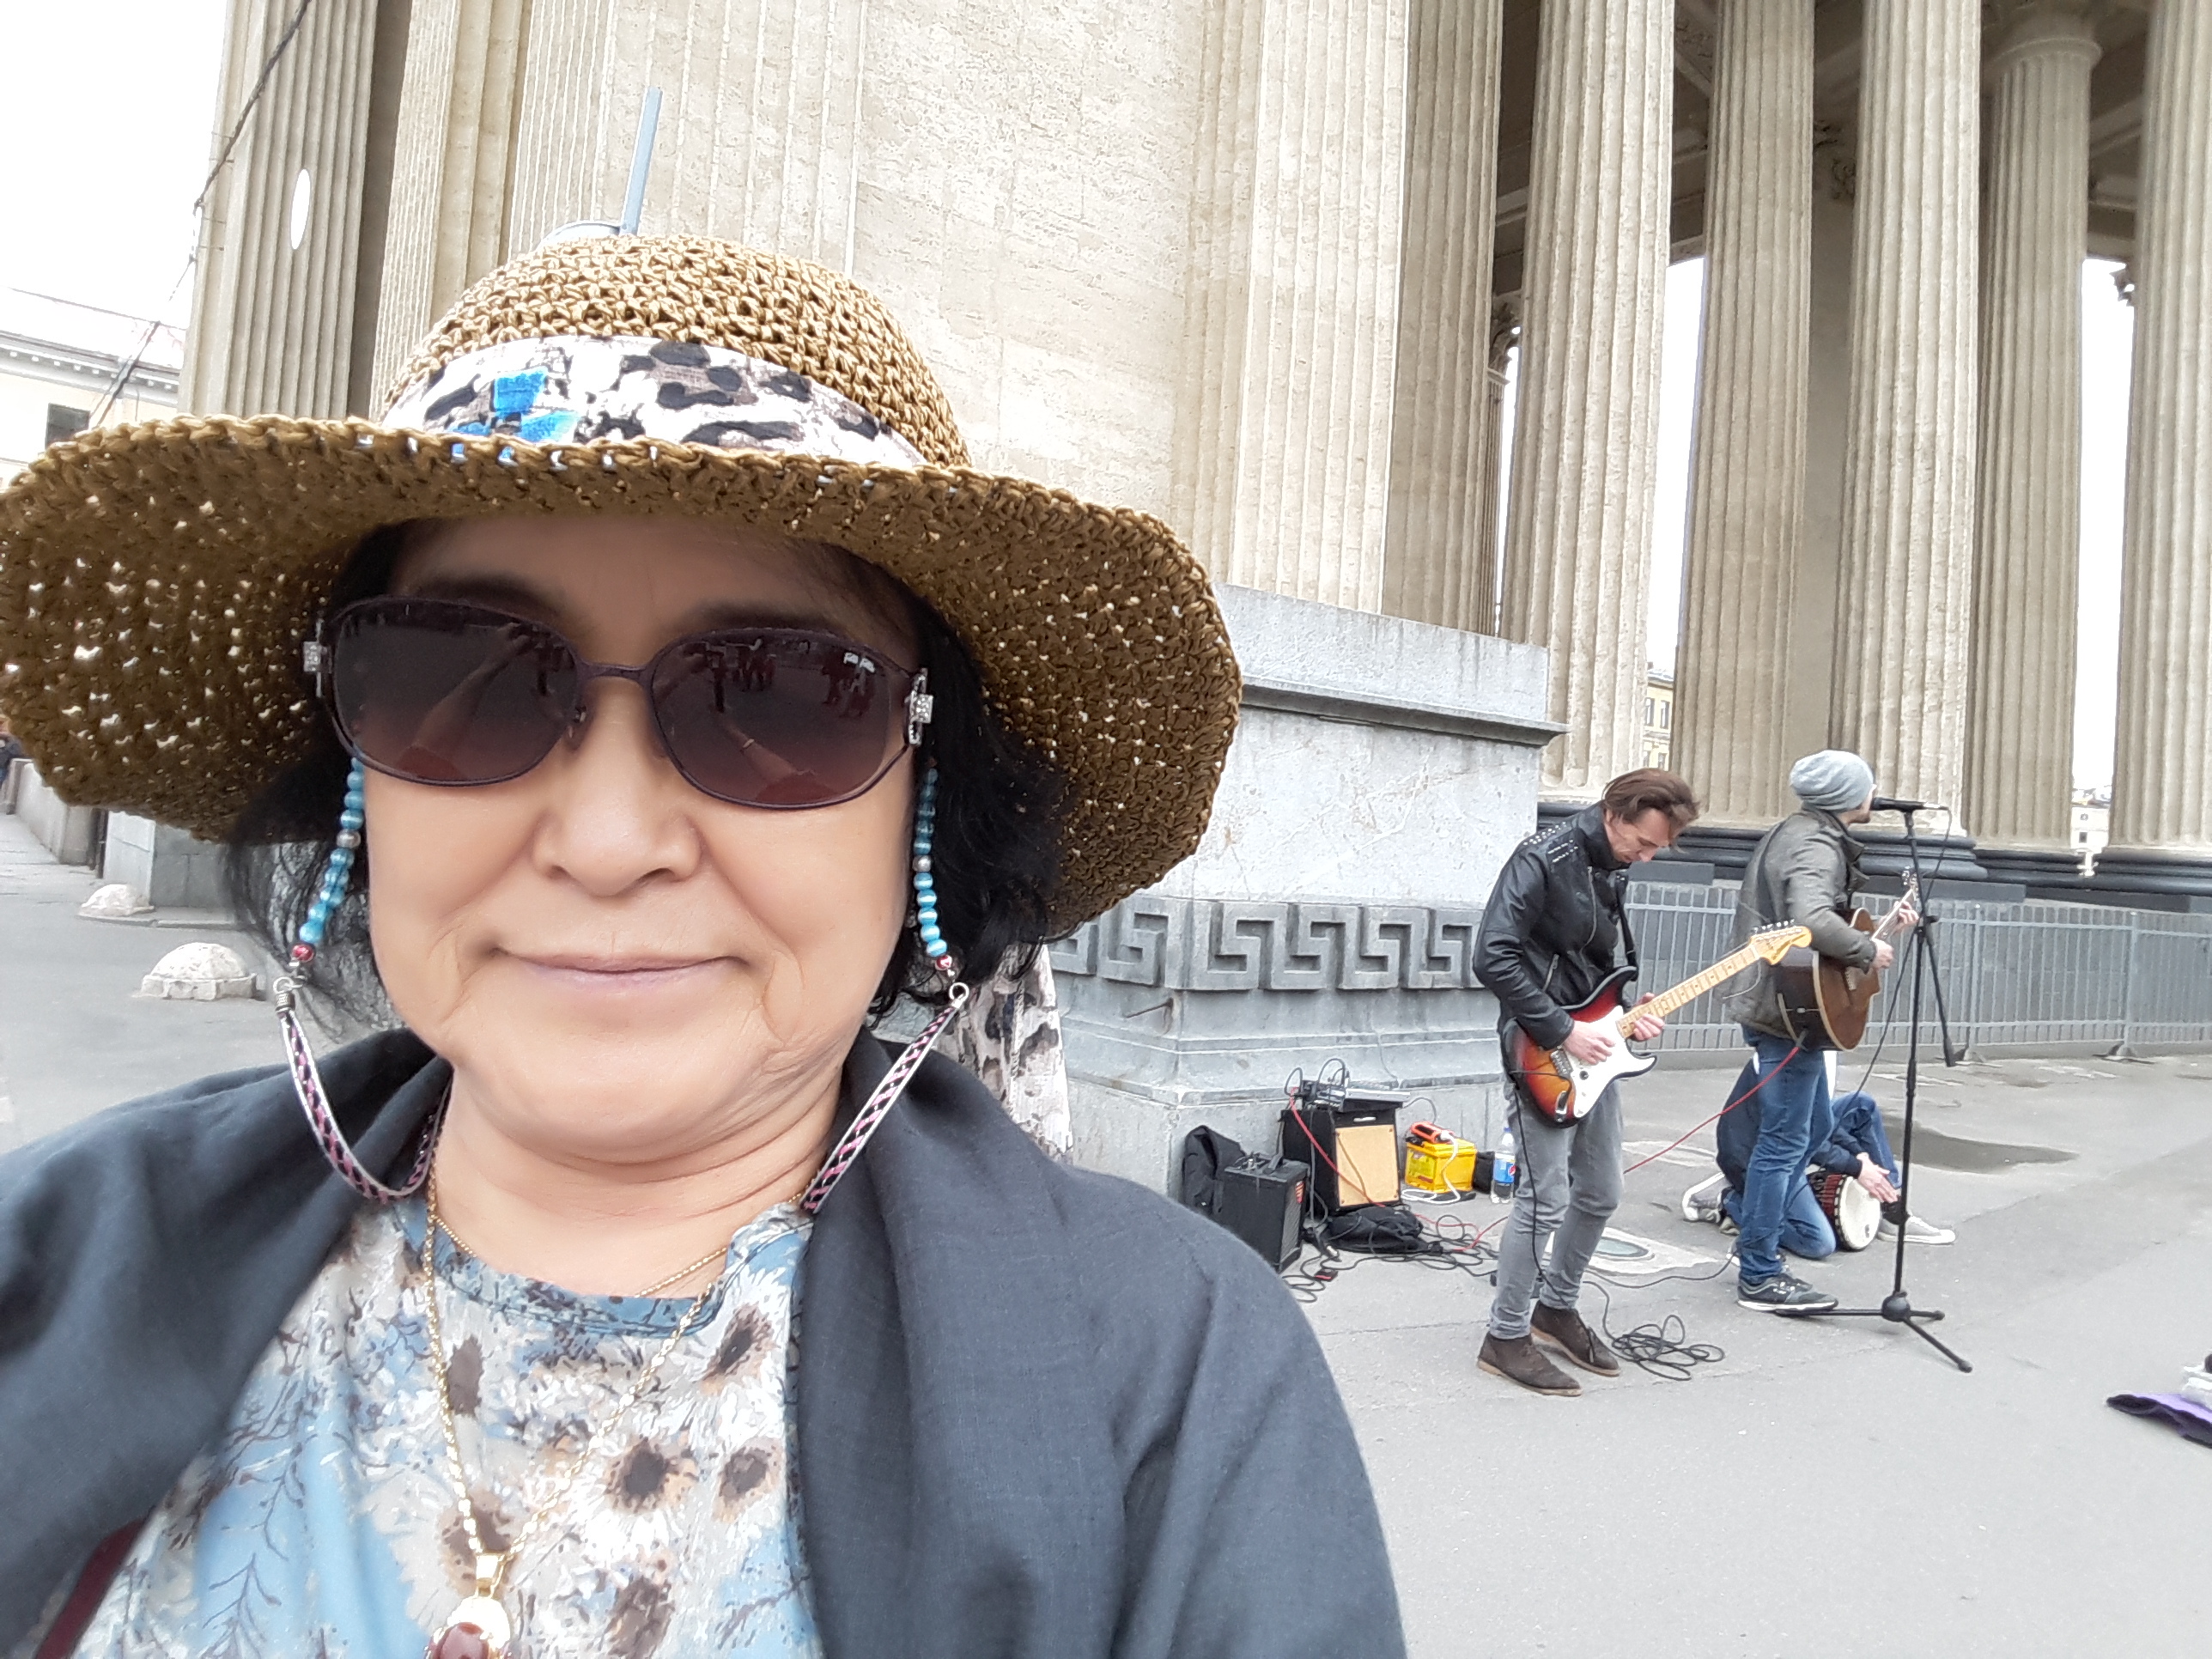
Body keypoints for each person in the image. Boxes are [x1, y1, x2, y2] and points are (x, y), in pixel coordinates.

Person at [0, 236, 1404, 1658]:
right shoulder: (54, 1262)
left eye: (780, 695)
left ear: (928, 798)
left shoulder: (1171, 1387)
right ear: (355, 767)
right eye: (460, 679)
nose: (609, 839)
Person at [1474, 768, 1700, 1396]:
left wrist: (1626, 1013)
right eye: (1644, 842)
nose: (1647, 857)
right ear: (1614, 813)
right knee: (1545, 1198)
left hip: (1592, 1042)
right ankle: (1505, 1335)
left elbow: (1587, 966)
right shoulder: (1543, 857)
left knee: (1600, 1191)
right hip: (1541, 1047)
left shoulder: (1610, 865)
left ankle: (1555, 1307)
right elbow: (1492, 954)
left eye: (1659, 848)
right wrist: (1560, 1029)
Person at [1722, 750, 1923, 1313]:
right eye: (1868, 785)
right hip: (1787, 1015)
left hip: (1783, 1005)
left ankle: (1758, 1233)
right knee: (1784, 1142)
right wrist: (1865, 948)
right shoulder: (1816, 844)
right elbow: (1809, 919)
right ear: (1849, 795)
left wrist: (1869, 937)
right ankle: (1759, 1273)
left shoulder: (1796, 832)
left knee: (1807, 1131)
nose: (1874, 792)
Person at [1681, 1066, 1956, 1254]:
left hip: (1789, 1137)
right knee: (1817, 1242)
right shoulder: (1791, 1050)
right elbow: (1802, 1135)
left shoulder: (1824, 1046)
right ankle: (1728, 1199)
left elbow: (1819, 1119)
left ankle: (1891, 1208)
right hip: (1757, 1154)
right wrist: (1856, 1167)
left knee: (1861, 1106)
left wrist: (1859, 1153)